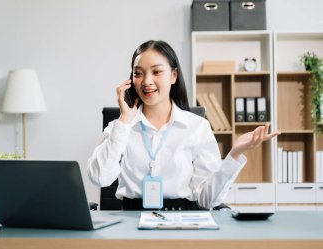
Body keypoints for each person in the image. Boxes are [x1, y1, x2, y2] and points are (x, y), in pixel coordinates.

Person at [87, 40, 280, 211]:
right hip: (131, 222)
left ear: (173, 76)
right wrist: (124, 122)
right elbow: (100, 177)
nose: (146, 81)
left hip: (183, 221)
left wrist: (235, 154)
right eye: (138, 73)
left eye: (156, 72)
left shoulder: (197, 127)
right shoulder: (119, 128)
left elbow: (207, 200)